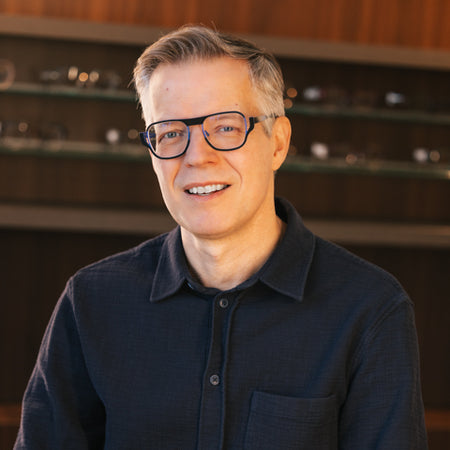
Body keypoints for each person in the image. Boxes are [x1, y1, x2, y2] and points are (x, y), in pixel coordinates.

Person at [15, 25, 427, 449]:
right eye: (171, 133)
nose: (197, 157)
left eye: (226, 127)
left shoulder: (369, 309)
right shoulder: (91, 301)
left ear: (278, 143)